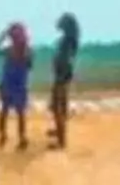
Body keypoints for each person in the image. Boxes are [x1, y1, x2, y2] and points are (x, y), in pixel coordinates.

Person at [0, 22, 33, 150]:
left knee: (8, 112)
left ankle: (10, 137)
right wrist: (3, 36)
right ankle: (15, 137)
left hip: (13, 85)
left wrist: (2, 37)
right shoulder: (21, 51)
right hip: (14, 85)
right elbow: (29, 66)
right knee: (14, 113)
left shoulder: (14, 51)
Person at [48, 13, 80, 149]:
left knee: (57, 107)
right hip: (63, 75)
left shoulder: (67, 41)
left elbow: (65, 59)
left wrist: (61, 75)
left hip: (62, 75)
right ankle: (59, 132)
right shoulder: (69, 40)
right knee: (60, 105)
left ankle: (61, 141)